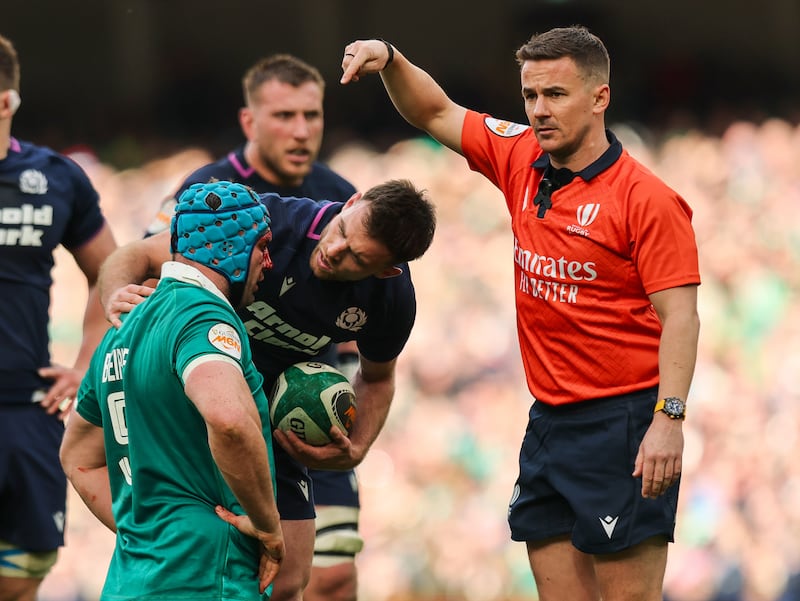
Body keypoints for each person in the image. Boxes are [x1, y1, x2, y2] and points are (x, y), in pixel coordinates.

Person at [341, 27, 701, 601]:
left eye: (555, 95)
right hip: (549, 423)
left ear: (600, 98)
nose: (537, 111)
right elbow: (435, 110)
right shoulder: (520, 158)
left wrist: (670, 420)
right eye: (530, 95)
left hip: (624, 426)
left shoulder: (646, 200)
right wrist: (389, 58)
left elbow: (681, 316)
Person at [100, 178, 436, 601]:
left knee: (289, 580)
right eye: (343, 231)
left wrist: (358, 448)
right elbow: (135, 254)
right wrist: (114, 298)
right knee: (185, 556)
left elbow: (377, 378)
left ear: (387, 269)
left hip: (274, 422)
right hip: (195, 399)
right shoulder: (271, 221)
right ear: (350, 202)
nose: (335, 251)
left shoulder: (391, 300)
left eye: (356, 257)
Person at [142, 53, 365, 601]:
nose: (301, 130)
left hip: (306, 409)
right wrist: (121, 299)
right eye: (284, 115)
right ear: (249, 122)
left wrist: (351, 385)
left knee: (333, 576)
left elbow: (366, 321)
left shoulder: (342, 198)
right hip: (222, 411)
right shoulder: (206, 188)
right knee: (250, 574)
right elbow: (147, 266)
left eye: (311, 115)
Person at [60, 180, 285, 600]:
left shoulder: (122, 328)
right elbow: (228, 419)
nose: (269, 262)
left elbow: (76, 458)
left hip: (131, 582)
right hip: (203, 577)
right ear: (231, 250)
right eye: (262, 246)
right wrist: (269, 525)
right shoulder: (203, 315)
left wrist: (148, 527)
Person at [0, 33, 118, 601]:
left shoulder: (56, 180)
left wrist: (85, 365)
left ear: (5, 102)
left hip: (26, 408)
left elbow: (112, 270)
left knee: (24, 574)